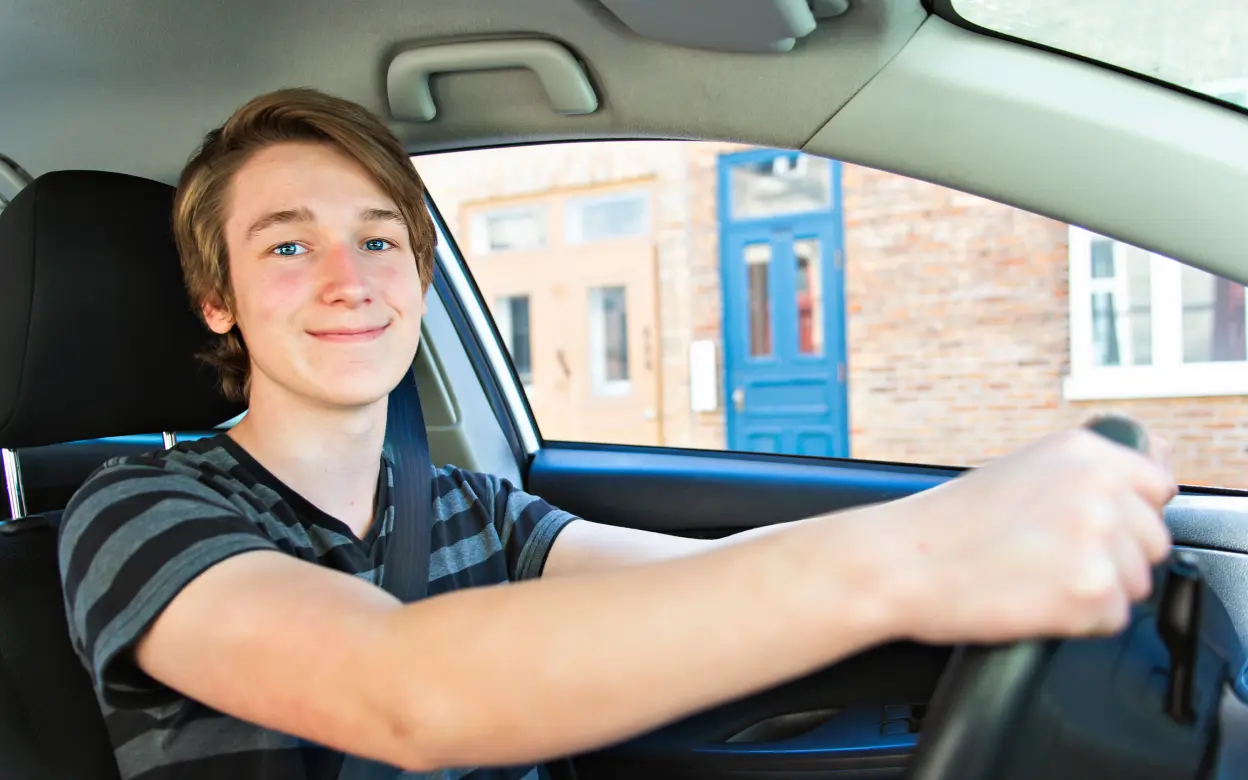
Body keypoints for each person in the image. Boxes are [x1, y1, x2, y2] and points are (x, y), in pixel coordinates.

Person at [57, 88, 1177, 780]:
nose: (351, 281)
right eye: (289, 248)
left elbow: (708, 583)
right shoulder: (139, 513)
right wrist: (915, 557)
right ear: (219, 299)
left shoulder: (471, 509)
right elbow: (395, 690)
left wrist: (970, 520)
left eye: (381, 241)